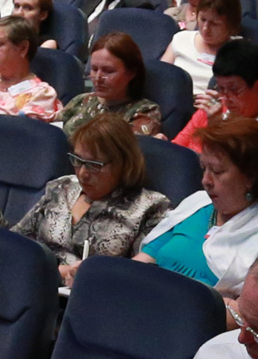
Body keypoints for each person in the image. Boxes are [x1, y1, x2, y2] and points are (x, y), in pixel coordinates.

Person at [143, 114, 258, 296]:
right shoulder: (198, 202)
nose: (205, 181)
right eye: (204, 168)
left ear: (251, 176)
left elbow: (251, 315)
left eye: (217, 171)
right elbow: (143, 261)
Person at [11, 111, 173, 283]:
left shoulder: (150, 207)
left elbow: (137, 276)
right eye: (78, 160)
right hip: (31, 283)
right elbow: (16, 241)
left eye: (94, 165)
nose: (83, 173)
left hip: (94, 298)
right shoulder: (62, 186)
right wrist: (60, 272)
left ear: (124, 164)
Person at [59, 30, 163, 137]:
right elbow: (53, 133)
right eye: (94, 69)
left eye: (108, 71)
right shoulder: (82, 100)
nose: (98, 78)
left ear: (131, 73)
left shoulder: (144, 112)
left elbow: (126, 151)